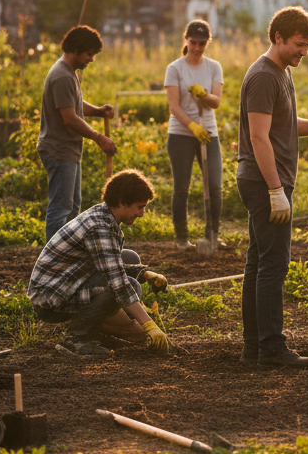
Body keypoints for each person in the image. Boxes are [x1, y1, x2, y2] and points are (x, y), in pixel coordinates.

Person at [236, 6, 308, 368]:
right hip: (264, 180)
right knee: (274, 265)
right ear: (278, 37)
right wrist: (275, 190)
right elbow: (258, 137)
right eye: (299, 44)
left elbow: (284, 123)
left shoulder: (281, 71)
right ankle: (271, 348)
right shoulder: (264, 76)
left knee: (259, 262)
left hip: (266, 180)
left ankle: (254, 347)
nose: (304, 52)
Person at [27, 169, 171, 358]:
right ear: (122, 202)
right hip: (51, 300)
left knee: (130, 259)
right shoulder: (99, 227)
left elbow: (108, 263)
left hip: (64, 284)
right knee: (129, 286)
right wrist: (150, 326)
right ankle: (76, 339)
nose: (142, 214)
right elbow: (118, 283)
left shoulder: (105, 216)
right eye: (139, 207)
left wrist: (144, 274)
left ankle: (97, 326)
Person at [37, 25, 116, 244]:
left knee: (72, 207)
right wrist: (99, 137)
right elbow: (69, 118)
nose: (91, 59)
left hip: (68, 150)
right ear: (76, 49)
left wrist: (98, 111)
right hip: (59, 149)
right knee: (61, 207)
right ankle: (53, 259)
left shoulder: (68, 73)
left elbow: (74, 105)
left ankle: (67, 253)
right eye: (89, 54)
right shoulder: (62, 75)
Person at [164, 19, 225, 250]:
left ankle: (212, 235)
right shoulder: (175, 68)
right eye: (193, 42)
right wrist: (192, 127)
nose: (197, 48)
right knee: (182, 188)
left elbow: (216, 102)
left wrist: (204, 95)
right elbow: (174, 106)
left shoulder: (214, 67)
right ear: (186, 40)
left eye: (202, 43)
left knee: (215, 187)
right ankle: (182, 239)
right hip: (181, 134)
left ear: (208, 42)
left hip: (209, 133)